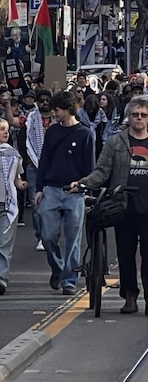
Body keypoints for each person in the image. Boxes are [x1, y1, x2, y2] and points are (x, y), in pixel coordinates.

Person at [76, 98, 148, 315]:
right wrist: (83, 183)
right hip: (123, 207)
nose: (139, 118)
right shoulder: (115, 143)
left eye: (143, 115)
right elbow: (102, 171)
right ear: (128, 117)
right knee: (125, 254)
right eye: (135, 115)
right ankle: (130, 295)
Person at [34, 91, 96, 295]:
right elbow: (44, 160)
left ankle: (69, 279)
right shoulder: (52, 131)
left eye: (57, 109)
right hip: (51, 189)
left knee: (73, 238)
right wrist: (39, 188)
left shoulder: (85, 133)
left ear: (68, 110)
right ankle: (59, 268)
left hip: (74, 191)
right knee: (47, 235)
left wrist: (86, 188)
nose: (54, 113)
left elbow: (90, 166)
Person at [0, 118, 27, 295]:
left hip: (7, 204)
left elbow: (16, 177)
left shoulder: (13, 154)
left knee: (4, 243)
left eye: (7, 129)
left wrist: (20, 184)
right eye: (2, 129)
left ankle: (1, 279)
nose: (6, 132)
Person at [25, 90, 53, 252]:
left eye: (47, 100)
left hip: (52, 168)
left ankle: (48, 235)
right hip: (33, 167)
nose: (44, 103)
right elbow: (27, 142)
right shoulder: (31, 118)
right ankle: (40, 235)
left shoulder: (58, 120)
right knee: (36, 205)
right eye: (41, 100)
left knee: (50, 204)